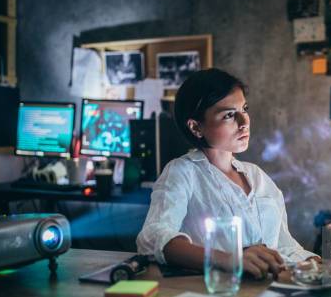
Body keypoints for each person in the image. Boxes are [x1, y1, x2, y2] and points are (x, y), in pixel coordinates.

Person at [137, 68, 319, 279]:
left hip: (268, 295)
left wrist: (318, 262)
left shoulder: (258, 176)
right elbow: (152, 238)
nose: (244, 122)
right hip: (216, 295)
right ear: (196, 127)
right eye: (229, 115)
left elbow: (283, 246)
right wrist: (231, 260)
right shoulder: (182, 172)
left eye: (245, 109)